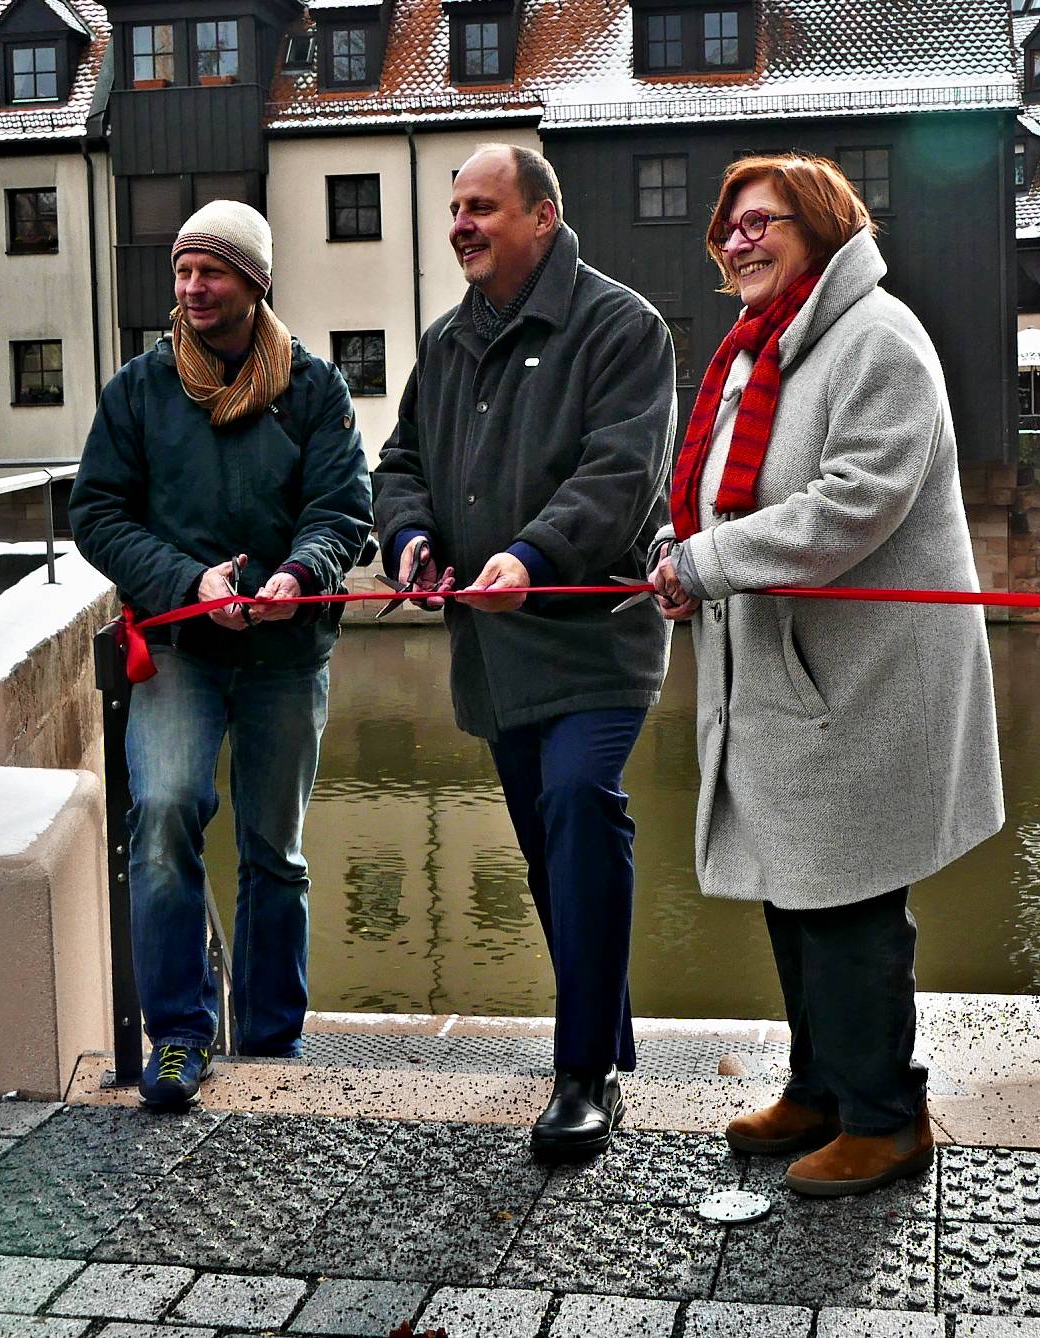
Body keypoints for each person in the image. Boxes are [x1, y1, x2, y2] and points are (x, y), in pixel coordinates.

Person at [650, 154, 1004, 1197]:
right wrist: (681, 558)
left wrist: (708, 562)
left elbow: (854, 503)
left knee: (849, 898)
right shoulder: (762, 345)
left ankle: (886, 1119)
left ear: (822, 225)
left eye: (761, 220)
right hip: (786, 673)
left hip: (865, 679)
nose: (738, 240)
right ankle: (819, 1090)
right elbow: (717, 497)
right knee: (795, 885)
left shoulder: (877, 339)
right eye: (729, 227)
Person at [373, 145, 677, 1159]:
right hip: (494, 649)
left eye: (484, 207)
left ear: (543, 218)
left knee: (581, 804)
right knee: (551, 858)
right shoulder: (446, 342)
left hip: (593, 637)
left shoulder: (623, 326)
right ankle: (604, 1040)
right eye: (456, 207)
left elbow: (622, 472)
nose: (462, 223)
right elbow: (401, 463)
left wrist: (531, 553)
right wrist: (411, 538)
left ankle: (581, 1073)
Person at [69, 201, 372, 1110]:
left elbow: (341, 511)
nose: (193, 288)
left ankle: (272, 1042)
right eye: (184, 271)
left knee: (274, 848)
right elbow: (97, 514)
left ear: (256, 282)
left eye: (213, 272)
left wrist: (296, 576)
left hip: (286, 651)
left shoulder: (315, 389)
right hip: (178, 647)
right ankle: (178, 1036)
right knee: (163, 816)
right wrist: (189, 583)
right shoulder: (139, 390)